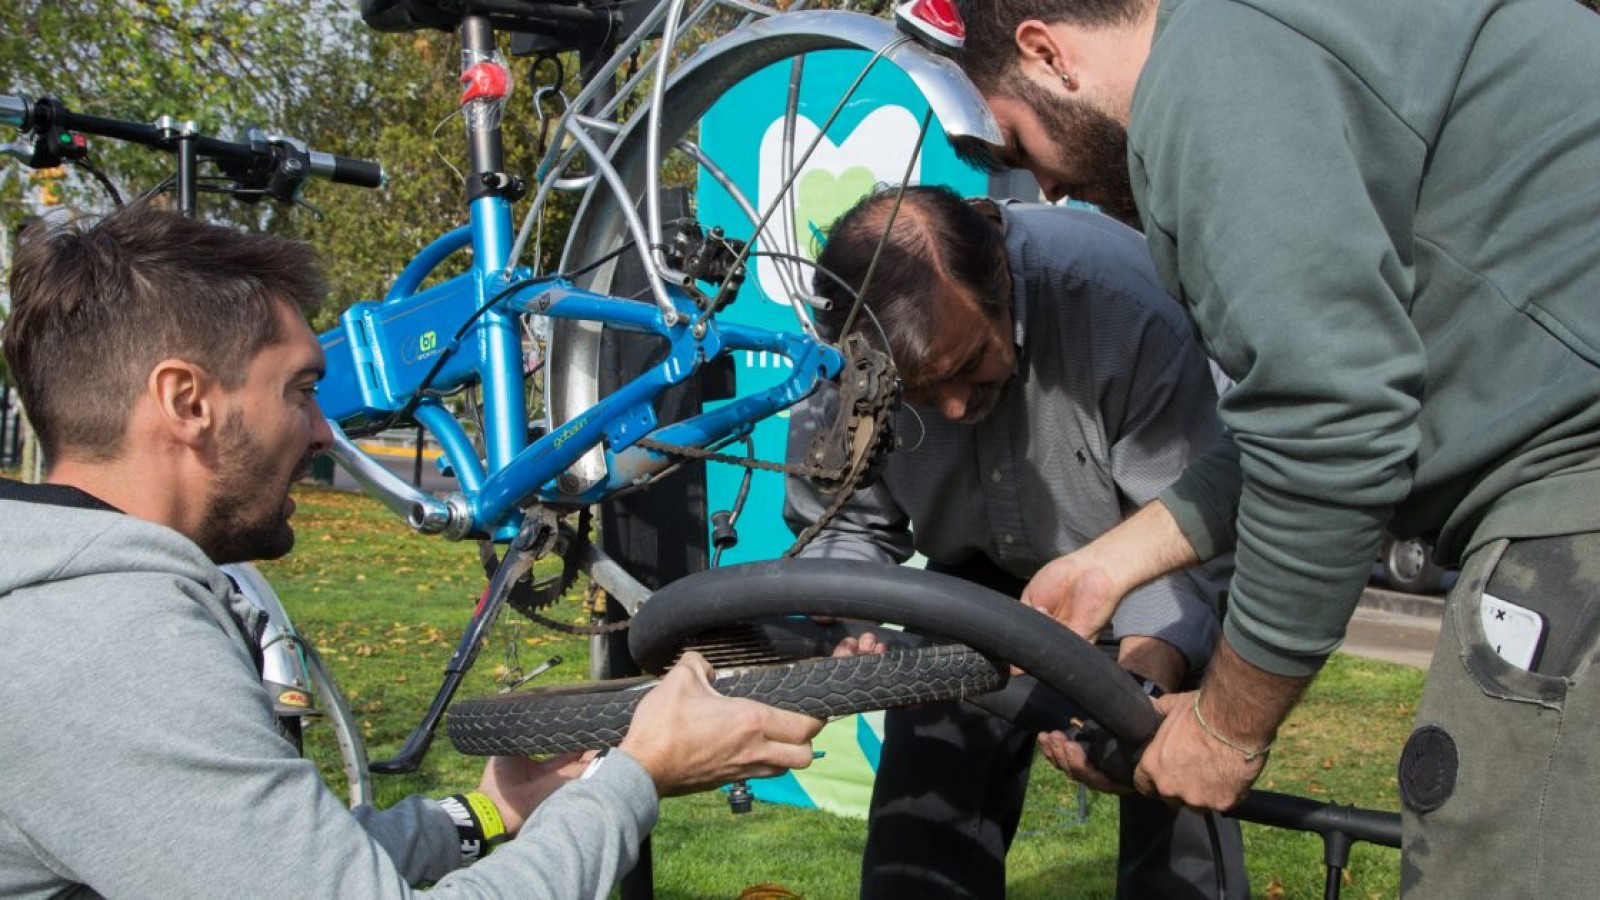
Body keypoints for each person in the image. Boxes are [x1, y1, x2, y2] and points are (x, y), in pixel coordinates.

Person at [938, 0, 1600, 895]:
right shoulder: (1258, 37)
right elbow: (1312, 416)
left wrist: (1224, 729)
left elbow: (1329, 433)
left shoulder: (1208, 76)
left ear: (1048, 54)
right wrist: (1106, 567)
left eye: (1017, 145)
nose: (1046, 191)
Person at [0, 202, 823, 899]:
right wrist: (636, 775)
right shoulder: (104, 641)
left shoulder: (80, 604)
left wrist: (491, 814)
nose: (328, 431)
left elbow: (278, 863)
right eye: (302, 390)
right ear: (187, 401)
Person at [785, 184, 1246, 899]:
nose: (958, 408)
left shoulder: (1126, 309)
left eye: (970, 362)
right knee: (918, 845)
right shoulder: (848, 359)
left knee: (1176, 803)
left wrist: (1136, 691)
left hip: (1145, 562)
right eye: (921, 392)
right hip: (969, 582)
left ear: (1000, 279)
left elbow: (1184, 539)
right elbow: (841, 524)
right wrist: (852, 625)